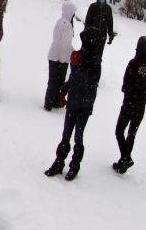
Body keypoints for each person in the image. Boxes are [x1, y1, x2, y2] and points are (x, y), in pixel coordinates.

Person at [46, 21, 109, 181]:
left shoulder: (95, 62)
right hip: (74, 101)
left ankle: (74, 166)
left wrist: (77, 67)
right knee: (66, 135)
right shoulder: (80, 56)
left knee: (77, 137)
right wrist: (64, 88)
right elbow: (74, 77)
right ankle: (59, 163)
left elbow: (89, 81)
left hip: (84, 104)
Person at [113, 36, 146, 174]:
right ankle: (123, 163)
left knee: (119, 130)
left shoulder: (133, 63)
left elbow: (125, 84)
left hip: (128, 103)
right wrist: (143, 89)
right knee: (132, 134)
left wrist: (131, 89)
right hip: (141, 106)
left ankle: (126, 158)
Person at [44, 1, 76, 111]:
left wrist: (71, 49)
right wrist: (63, 60)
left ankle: (51, 101)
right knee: (58, 81)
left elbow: (60, 41)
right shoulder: (67, 25)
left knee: (52, 81)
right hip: (60, 58)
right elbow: (63, 44)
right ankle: (52, 102)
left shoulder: (60, 21)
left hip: (54, 55)